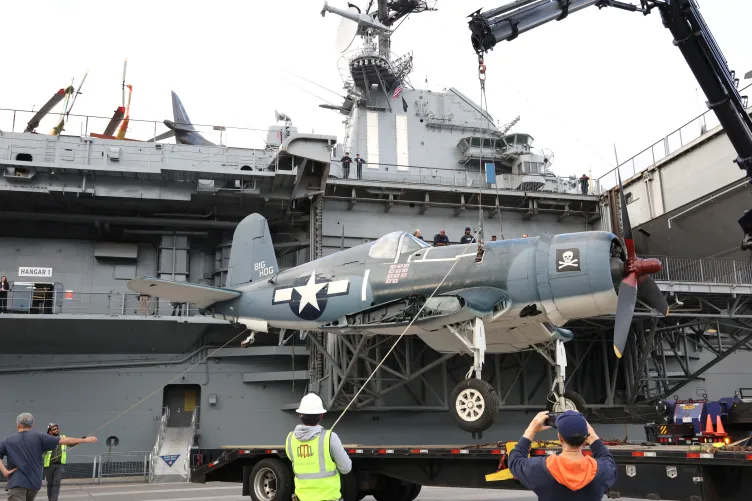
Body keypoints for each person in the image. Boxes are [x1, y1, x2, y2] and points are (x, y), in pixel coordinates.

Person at [509, 410, 617, 501]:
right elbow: (606, 457)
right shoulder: (602, 470)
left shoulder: (540, 468)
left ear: (560, 438)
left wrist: (531, 430)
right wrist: (591, 434)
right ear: (585, 438)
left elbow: (515, 461)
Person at [0, 413, 98, 501]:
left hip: (17, 482)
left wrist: (5, 471)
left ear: (17, 425)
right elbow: (64, 440)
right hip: (34, 484)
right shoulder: (40, 437)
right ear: (32, 424)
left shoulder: (8, 441)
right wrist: (84, 440)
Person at [286, 394, 351, 501]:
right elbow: (346, 468)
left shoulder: (290, 439)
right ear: (321, 416)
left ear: (299, 415)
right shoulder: (330, 438)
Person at [42, 424, 70, 501]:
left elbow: (71, 443)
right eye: (54, 429)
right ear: (49, 432)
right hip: (49, 465)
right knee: (50, 484)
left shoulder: (63, 438)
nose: (57, 430)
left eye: (57, 428)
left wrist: (81, 440)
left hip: (59, 465)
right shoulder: (45, 439)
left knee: (56, 483)